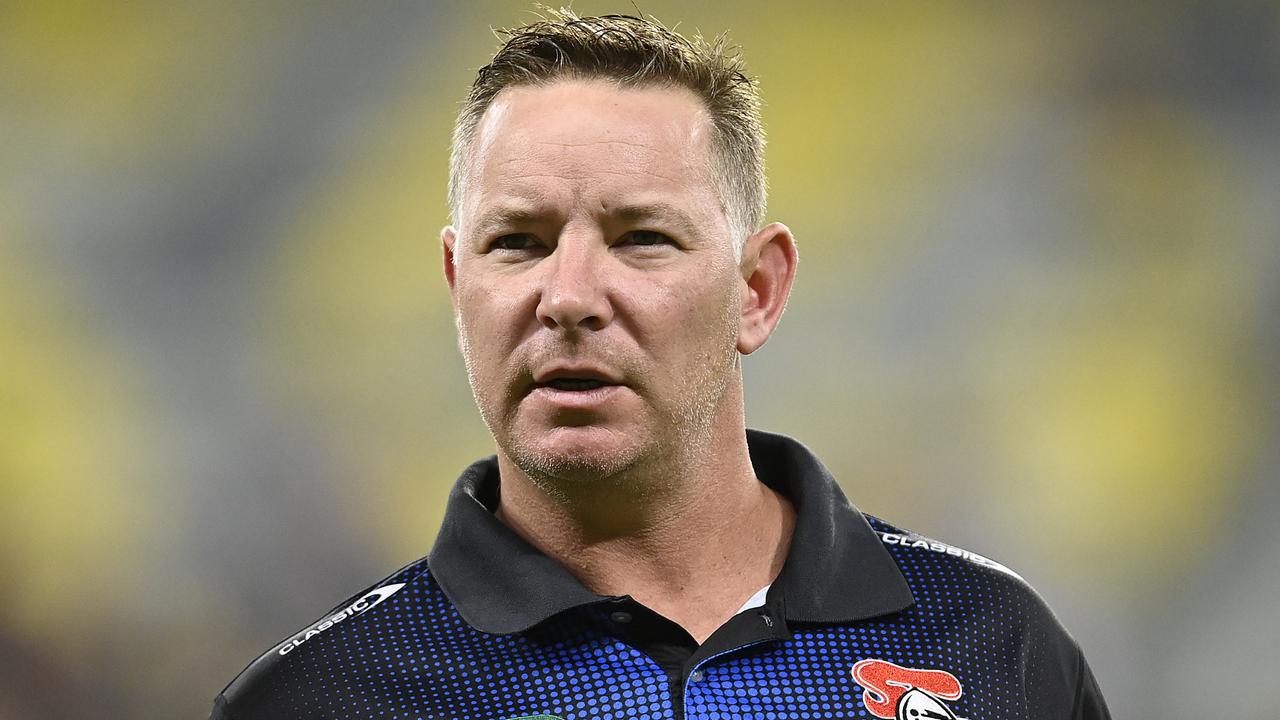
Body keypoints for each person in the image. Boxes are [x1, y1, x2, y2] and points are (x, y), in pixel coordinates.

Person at [211, 10, 1111, 720]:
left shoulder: (996, 648)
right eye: (517, 243)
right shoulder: (321, 698)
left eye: (641, 239)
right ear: (458, 284)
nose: (567, 296)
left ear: (756, 290)